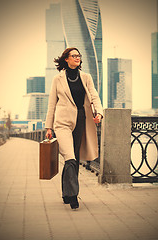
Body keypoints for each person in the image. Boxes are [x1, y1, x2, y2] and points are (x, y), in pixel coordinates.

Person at [45, 47, 103, 210]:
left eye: (79, 56)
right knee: (69, 157)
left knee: (75, 158)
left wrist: (99, 113)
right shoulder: (58, 79)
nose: (77, 58)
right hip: (62, 123)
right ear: (66, 59)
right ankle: (74, 196)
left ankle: (66, 192)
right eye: (74, 56)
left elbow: (94, 96)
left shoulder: (86, 77)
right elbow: (51, 104)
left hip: (81, 121)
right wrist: (48, 126)